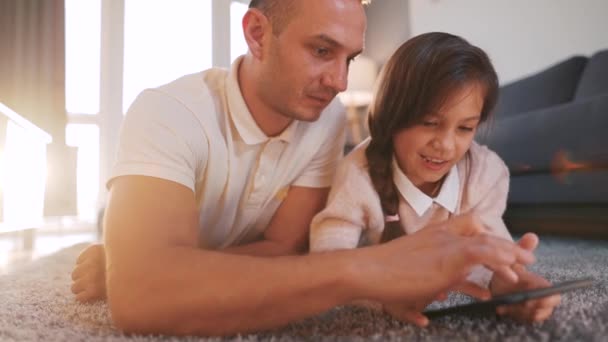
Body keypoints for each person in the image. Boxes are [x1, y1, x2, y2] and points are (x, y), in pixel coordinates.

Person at [70, 0, 537, 336]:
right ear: (256, 33)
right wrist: (371, 267)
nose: (339, 81)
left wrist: (173, 271)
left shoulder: (325, 119)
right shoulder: (166, 112)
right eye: (321, 51)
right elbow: (143, 298)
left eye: (349, 58)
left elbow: (285, 248)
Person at [309, 32, 561, 327]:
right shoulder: (357, 174)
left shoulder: (486, 173)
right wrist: (381, 294)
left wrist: (510, 283)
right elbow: (326, 265)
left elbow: (489, 251)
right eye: (429, 123)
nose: (445, 144)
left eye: (465, 128)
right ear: (392, 114)